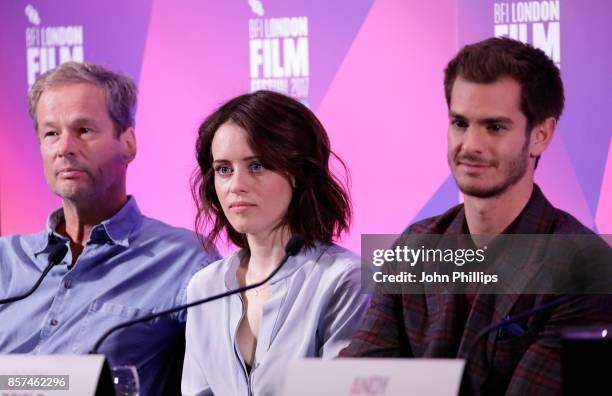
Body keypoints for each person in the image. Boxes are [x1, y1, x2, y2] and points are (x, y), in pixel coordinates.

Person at [340, 37, 612, 395]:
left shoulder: (586, 268)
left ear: (540, 136)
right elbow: (355, 383)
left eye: (495, 127)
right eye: (460, 123)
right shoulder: (416, 245)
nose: (470, 145)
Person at [0, 62, 219, 395]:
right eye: (51, 133)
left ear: (128, 143)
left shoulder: (185, 260)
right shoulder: (6, 259)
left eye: (84, 130)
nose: (64, 148)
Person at [182, 90, 369, 395]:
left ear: (297, 173)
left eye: (257, 166)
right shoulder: (205, 287)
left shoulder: (344, 280)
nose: (236, 186)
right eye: (224, 170)